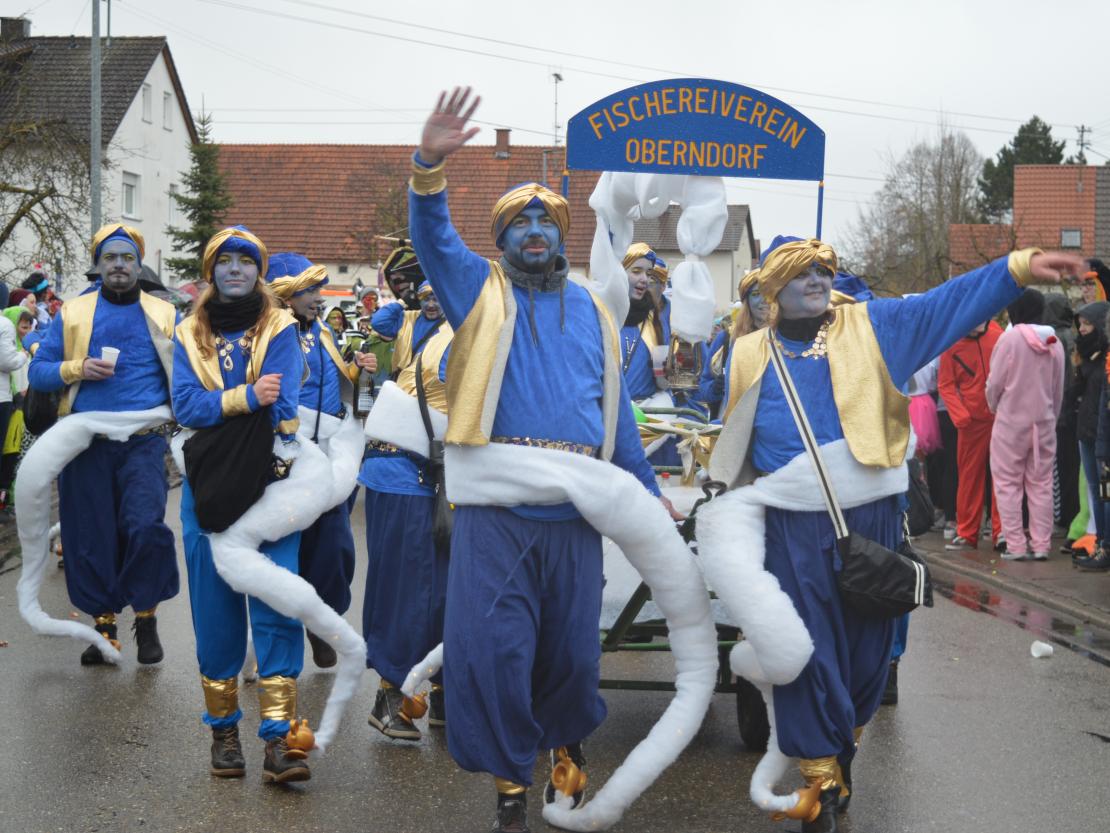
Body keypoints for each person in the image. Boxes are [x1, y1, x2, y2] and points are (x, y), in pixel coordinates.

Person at [699, 235, 1079, 833]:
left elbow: (947, 305)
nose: (818, 280)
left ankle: (839, 749)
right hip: (791, 527)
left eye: (824, 269)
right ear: (772, 289)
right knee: (806, 653)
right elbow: (737, 435)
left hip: (871, 521)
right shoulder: (749, 352)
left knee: (867, 662)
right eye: (802, 273)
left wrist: (1017, 268)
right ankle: (819, 777)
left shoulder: (873, 327)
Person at [408, 87, 675, 833]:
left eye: (545, 221)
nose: (533, 229)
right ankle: (507, 789)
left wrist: (647, 490)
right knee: (494, 652)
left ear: (562, 236)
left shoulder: (593, 306)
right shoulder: (480, 292)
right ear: (500, 240)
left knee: (569, 657)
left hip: (576, 515)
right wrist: (429, 164)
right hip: (497, 515)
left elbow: (613, 412)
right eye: (518, 221)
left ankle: (565, 745)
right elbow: (432, 238)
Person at [173, 226, 312, 783]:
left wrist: (231, 405)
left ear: (259, 270)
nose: (235, 269)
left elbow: (288, 405)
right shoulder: (188, 331)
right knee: (214, 609)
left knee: (277, 603)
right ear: (211, 272)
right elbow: (187, 405)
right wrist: (247, 397)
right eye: (224, 261)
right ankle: (223, 730)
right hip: (206, 484)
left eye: (245, 261)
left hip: (271, 482)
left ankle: (279, 742)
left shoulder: (279, 325)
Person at [27, 224, 178, 665]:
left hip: (143, 443)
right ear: (97, 265)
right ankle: (105, 629)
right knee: (90, 534)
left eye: (126, 258)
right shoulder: (73, 311)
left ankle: (146, 618)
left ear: (138, 264)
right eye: (109, 257)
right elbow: (39, 372)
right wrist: (76, 368)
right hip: (85, 443)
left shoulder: (165, 314)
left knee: (145, 526)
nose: (118, 265)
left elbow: (191, 370)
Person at [264, 253, 375, 667]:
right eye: (308, 290)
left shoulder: (324, 330)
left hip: (331, 456)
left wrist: (357, 368)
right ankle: (282, 636)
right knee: (287, 547)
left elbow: (336, 382)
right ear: (285, 294)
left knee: (334, 548)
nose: (318, 297)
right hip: (289, 456)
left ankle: (322, 620)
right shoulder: (269, 334)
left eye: (318, 288)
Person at [360, 321, 453, 742]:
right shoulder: (467, 333)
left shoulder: (465, 328)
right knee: (410, 589)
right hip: (407, 474)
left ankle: (442, 691)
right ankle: (390, 696)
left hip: (422, 472)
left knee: (445, 587)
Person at [985, 290, 1064, 560]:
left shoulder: (1009, 339)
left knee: (1008, 483)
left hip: (1010, 422)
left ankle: (1016, 545)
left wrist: (994, 405)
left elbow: (995, 383)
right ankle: (1042, 545)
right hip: (1043, 422)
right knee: (1041, 483)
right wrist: (1051, 415)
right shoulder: (1055, 342)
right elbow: (1058, 388)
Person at [939, 320, 1004, 552]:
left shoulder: (998, 336)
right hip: (971, 423)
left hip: (1000, 418)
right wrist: (960, 415)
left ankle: (1002, 532)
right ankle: (967, 533)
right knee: (969, 477)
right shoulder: (951, 344)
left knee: (1003, 477)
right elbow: (945, 384)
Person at [1065, 302, 1110, 556]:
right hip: (1087, 432)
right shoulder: (1084, 353)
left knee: (1105, 492)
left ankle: (1104, 544)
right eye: (1079, 324)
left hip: (1101, 434)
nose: (1082, 329)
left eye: (1087, 323)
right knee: (1094, 490)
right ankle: (1099, 541)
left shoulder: (1105, 357)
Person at [1044, 293, 1079, 529]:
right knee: (1071, 468)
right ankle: (1070, 514)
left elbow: (1060, 380)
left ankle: (1064, 516)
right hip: (1072, 411)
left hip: (1061, 413)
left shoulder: (1055, 338)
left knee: (1061, 469)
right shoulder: (1071, 336)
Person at [371, 274, 447, 379]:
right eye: (426, 299)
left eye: (435, 299)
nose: (430, 304)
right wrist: (403, 302)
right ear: (419, 300)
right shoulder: (408, 318)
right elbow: (378, 322)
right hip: (405, 387)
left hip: (436, 389)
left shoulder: (453, 324)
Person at [0, 306, 34, 519]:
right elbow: (9, 364)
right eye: (23, 326)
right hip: (11, 405)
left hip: (20, 409)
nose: (27, 331)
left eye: (30, 326)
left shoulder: (27, 346)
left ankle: (9, 499)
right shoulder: (13, 344)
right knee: (8, 456)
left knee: (13, 456)